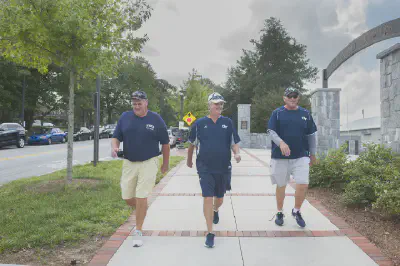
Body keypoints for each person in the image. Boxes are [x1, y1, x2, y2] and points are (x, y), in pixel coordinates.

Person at [111, 90, 170, 247]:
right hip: (129, 162)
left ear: (146, 103)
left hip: (149, 162)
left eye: (139, 103)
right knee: (128, 197)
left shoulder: (156, 119)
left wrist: (165, 163)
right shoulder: (125, 117)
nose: (136, 106)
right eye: (134, 103)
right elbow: (116, 137)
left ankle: (138, 230)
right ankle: (141, 209)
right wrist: (115, 147)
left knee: (141, 195)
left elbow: (165, 143)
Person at [187, 92, 241, 248]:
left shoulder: (228, 122)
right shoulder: (199, 123)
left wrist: (237, 153)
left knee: (219, 198)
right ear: (209, 105)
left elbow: (234, 141)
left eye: (221, 104)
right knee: (207, 197)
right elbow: (192, 143)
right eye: (216, 104)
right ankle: (210, 232)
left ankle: (216, 210)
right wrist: (189, 160)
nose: (219, 106)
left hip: (223, 167)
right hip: (204, 167)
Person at [267, 87, 317, 228]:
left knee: (303, 183)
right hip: (280, 157)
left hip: (301, 155)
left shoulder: (305, 114)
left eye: (295, 96)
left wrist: (312, 153)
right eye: (290, 96)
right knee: (281, 185)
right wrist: (281, 142)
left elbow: (311, 135)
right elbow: (271, 132)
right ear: (284, 98)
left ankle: (296, 210)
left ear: (298, 98)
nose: (293, 98)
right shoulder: (277, 113)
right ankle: (279, 212)